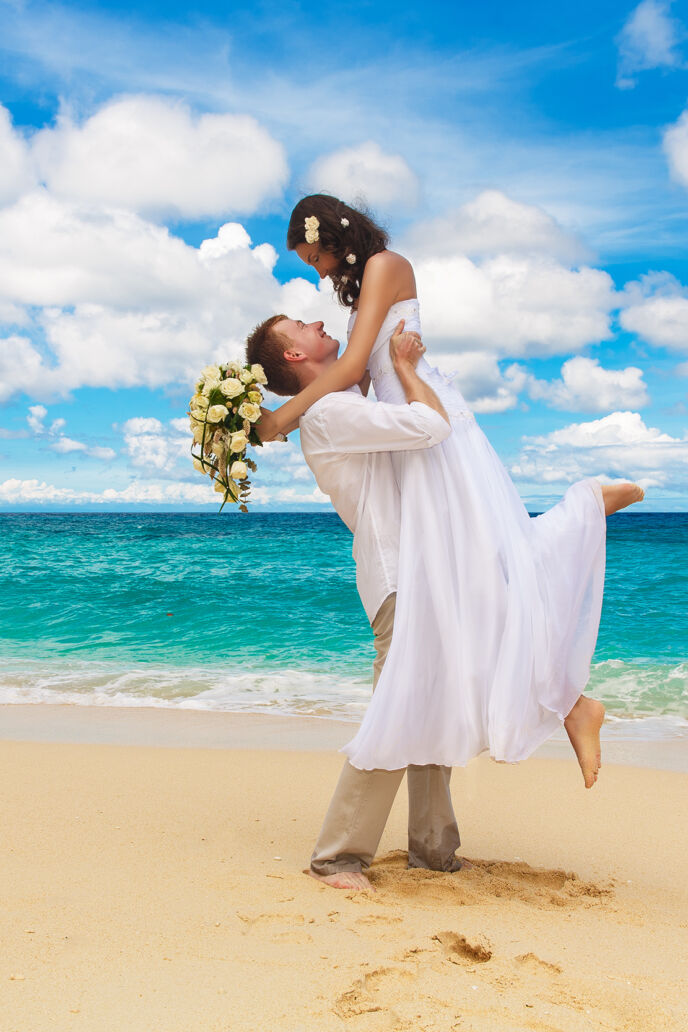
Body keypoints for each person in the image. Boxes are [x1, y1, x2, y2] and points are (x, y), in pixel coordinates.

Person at [257, 194, 645, 787]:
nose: (318, 271)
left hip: (430, 419)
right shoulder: (362, 289)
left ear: (335, 234)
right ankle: (571, 702)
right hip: (405, 425)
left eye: (316, 256)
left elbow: (354, 363)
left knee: (492, 561)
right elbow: (356, 375)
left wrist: (281, 419)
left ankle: (584, 509)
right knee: (476, 577)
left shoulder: (385, 265)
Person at [246, 314, 470, 890]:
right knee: (397, 710)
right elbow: (430, 427)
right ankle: (338, 856)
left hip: (412, 572)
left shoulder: (339, 403)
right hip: (399, 576)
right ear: (294, 357)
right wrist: (404, 368)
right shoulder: (328, 412)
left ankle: (435, 848)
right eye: (300, 324)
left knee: (429, 706)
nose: (316, 321)